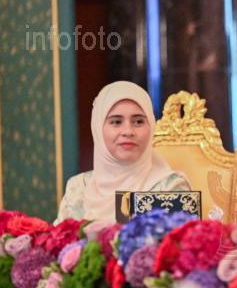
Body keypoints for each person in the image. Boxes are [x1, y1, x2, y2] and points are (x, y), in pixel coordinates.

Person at [56, 81, 190, 223]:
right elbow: (61, 237)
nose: (128, 131)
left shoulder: (170, 187)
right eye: (116, 122)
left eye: (138, 122)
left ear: (151, 126)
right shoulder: (78, 188)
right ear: (98, 128)